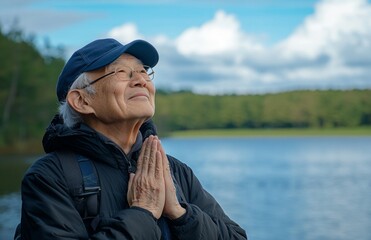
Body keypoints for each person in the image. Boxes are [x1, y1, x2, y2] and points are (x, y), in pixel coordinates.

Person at [16, 38, 247, 239]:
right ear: (82, 101)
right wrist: (143, 213)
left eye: (143, 71)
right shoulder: (49, 177)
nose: (141, 80)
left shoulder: (176, 172)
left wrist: (179, 213)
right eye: (121, 72)